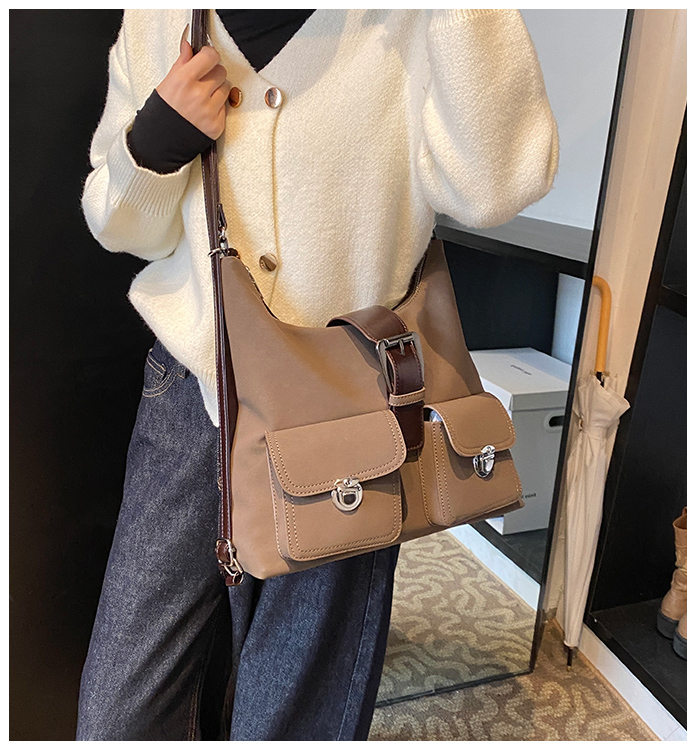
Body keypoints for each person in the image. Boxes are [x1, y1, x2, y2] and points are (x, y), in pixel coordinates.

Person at [76, 9, 559, 741]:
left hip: (349, 414)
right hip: (194, 393)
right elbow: (118, 225)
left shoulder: (413, 21)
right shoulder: (161, 16)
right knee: (120, 712)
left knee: (297, 716)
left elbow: (497, 187)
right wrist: (156, 141)